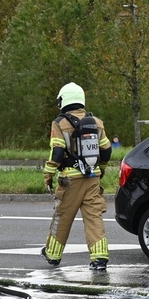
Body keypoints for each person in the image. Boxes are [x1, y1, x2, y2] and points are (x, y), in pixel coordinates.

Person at [41, 82, 112, 269]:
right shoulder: (96, 122)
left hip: (70, 180)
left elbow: (57, 152)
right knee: (94, 216)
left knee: (63, 216)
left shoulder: (60, 123)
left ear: (63, 100)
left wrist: (48, 173)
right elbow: (106, 150)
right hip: (93, 178)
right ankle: (99, 258)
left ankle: (53, 254)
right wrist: (101, 169)